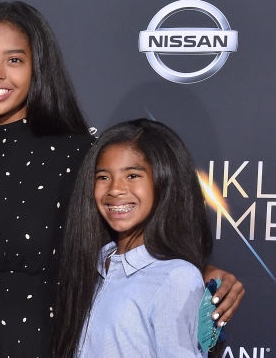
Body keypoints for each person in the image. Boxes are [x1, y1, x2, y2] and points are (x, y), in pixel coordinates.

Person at [0, 1, 243, 357]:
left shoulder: (79, 155)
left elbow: (134, 239)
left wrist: (201, 273)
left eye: (15, 60)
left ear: (39, 68)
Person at [52, 118, 218, 357]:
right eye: (103, 177)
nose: (115, 189)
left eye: (132, 176)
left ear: (164, 180)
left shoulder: (176, 277)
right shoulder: (90, 266)